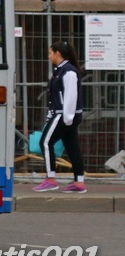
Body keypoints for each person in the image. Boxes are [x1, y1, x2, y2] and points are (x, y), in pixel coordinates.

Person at [33, 41, 86, 193]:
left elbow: (70, 96)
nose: (49, 56)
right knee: (72, 147)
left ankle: (51, 179)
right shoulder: (59, 70)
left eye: (50, 53)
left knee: (45, 142)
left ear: (58, 53)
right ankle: (79, 182)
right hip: (62, 114)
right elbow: (56, 96)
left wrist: (67, 118)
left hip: (64, 114)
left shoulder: (68, 71)